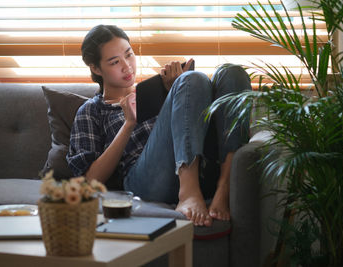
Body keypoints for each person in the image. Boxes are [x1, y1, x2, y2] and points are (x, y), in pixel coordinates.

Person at [67, 25, 250, 226]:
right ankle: (188, 193)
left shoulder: (155, 92)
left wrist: (177, 93)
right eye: (114, 62)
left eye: (129, 55)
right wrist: (128, 124)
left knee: (232, 73)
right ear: (95, 68)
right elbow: (90, 181)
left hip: (203, 167)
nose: (127, 66)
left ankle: (223, 188)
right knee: (191, 79)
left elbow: (187, 128)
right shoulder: (91, 110)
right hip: (147, 182)